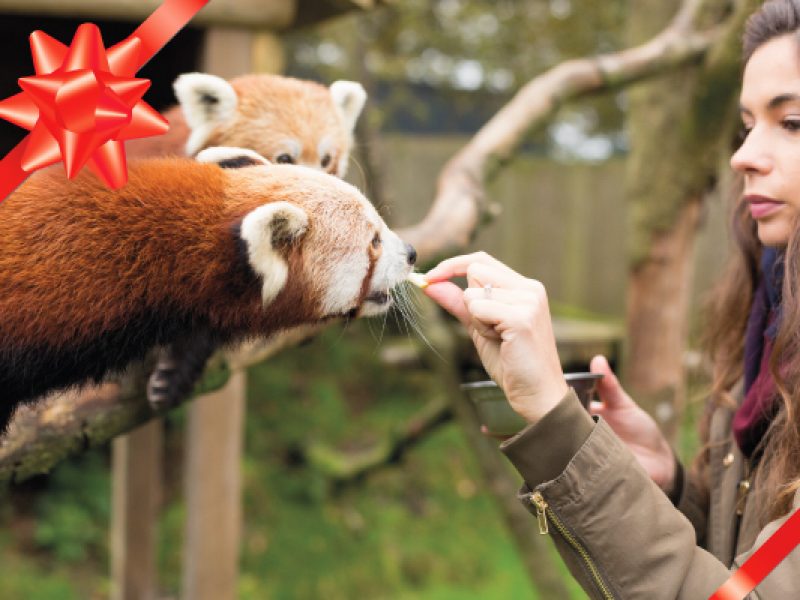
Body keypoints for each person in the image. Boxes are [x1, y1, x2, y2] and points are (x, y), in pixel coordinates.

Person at [421, 0, 800, 596]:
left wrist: (557, 420)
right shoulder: (770, 314)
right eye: (747, 124)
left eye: (792, 122)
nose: (742, 155)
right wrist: (674, 487)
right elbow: (755, 568)